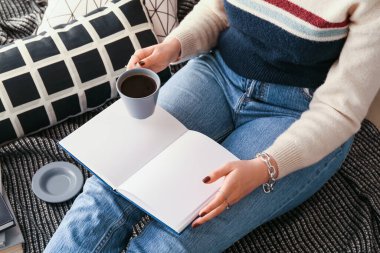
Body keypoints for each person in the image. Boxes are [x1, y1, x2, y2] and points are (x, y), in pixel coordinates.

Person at [45, 0, 380, 252]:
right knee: (110, 183)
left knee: (179, 234)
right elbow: (218, 9)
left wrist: (265, 167)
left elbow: (340, 108)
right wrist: (173, 46)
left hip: (300, 113)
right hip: (216, 73)